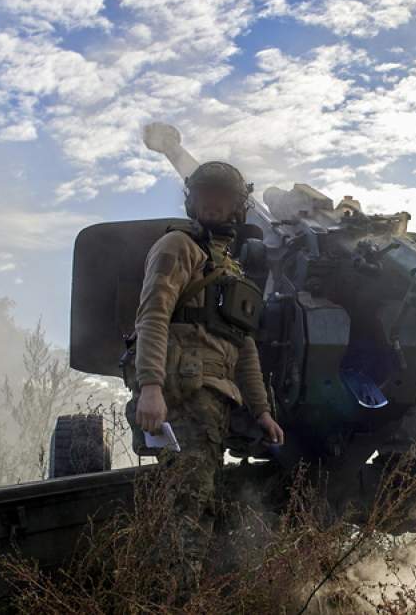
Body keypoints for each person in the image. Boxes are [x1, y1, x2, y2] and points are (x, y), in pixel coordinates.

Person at [126, 160, 285, 590]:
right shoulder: (178, 246)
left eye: (223, 197)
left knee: (201, 511)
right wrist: (151, 387)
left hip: (215, 401)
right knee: (185, 514)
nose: (213, 204)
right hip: (184, 394)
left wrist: (262, 412)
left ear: (238, 207)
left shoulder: (229, 269)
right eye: (205, 196)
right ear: (191, 201)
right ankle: (171, 600)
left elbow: (243, 346)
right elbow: (153, 315)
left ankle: (186, 597)